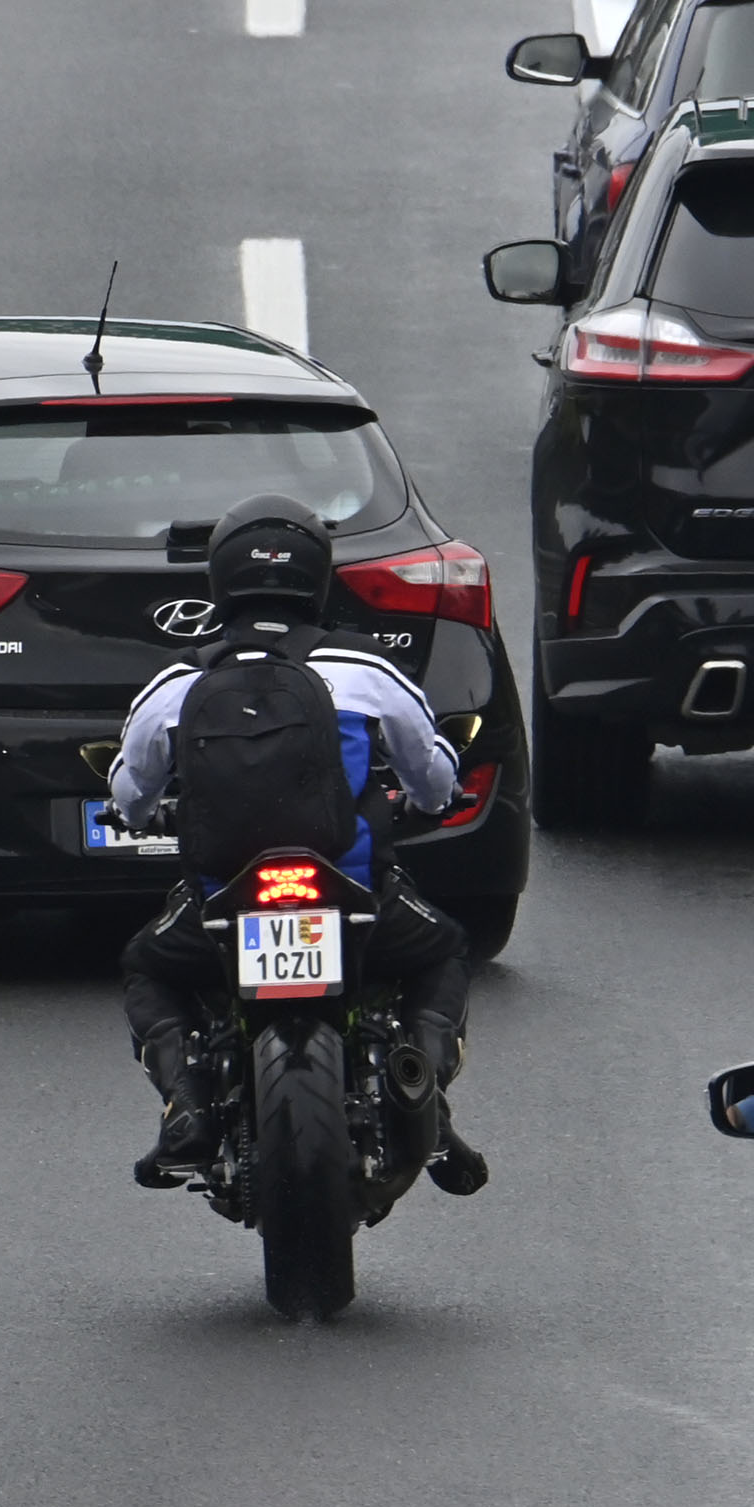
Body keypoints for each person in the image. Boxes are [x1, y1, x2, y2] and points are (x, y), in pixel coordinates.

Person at [111, 495, 486, 1197]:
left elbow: (131, 790)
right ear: (319, 577)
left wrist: (136, 810)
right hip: (354, 886)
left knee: (148, 966)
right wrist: (432, 798)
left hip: (224, 894)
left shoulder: (178, 679)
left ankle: (186, 1102)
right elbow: (434, 776)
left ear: (220, 582)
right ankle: (423, 1086)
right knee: (441, 949)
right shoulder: (364, 666)